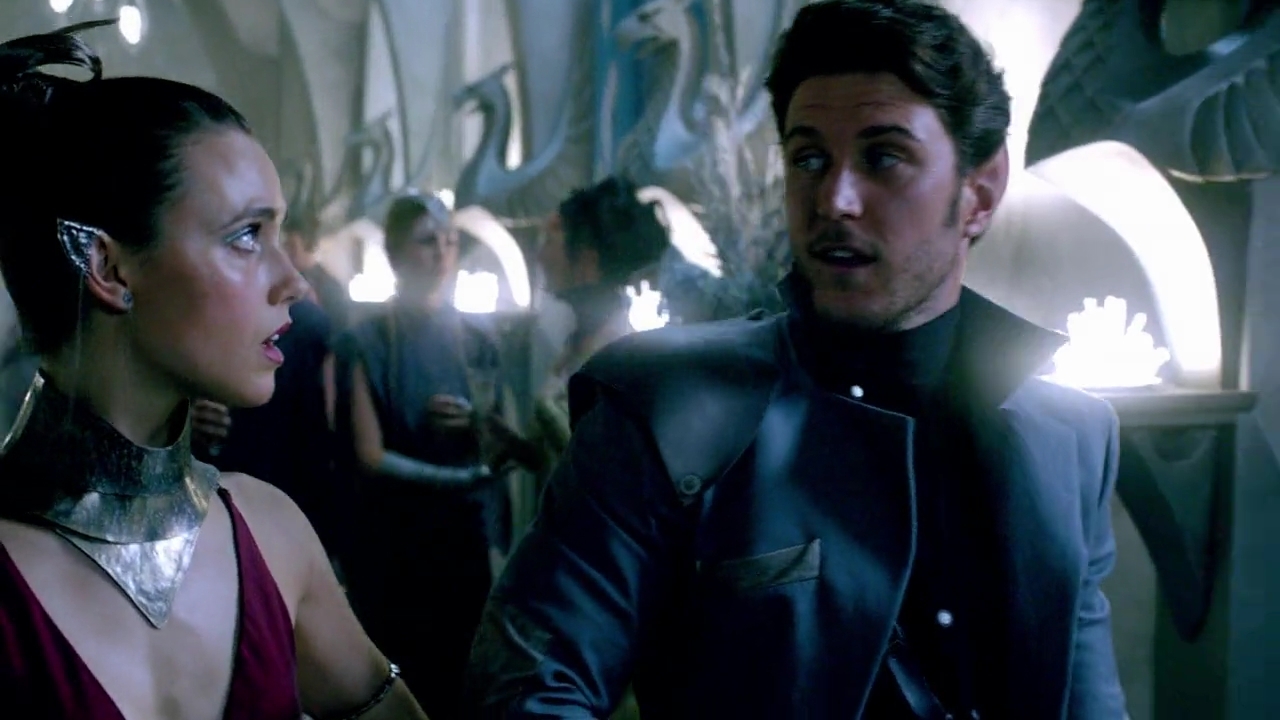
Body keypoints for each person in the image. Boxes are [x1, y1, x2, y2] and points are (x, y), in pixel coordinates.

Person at [466, 1, 1127, 718]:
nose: (834, 200)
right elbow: (526, 690)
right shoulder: (667, 408)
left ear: (980, 191)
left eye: (884, 157)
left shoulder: (1071, 439)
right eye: (808, 158)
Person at [0, 21, 426, 719]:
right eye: (246, 236)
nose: (293, 281)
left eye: (277, 233)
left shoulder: (272, 533)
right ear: (108, 267)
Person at [331, 191, 525, 720]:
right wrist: (458, 480)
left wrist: (478, 424)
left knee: (461, 679)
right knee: (401, 684)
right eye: (426, 241)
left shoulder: (477, 338)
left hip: (462, 540)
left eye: (449, 240)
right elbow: (368, 454)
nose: (441, 252)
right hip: (394, 544)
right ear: (395, 254)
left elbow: (506, 441)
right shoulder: (366, 341)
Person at [524, 175, 670, 492]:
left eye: (550, 243)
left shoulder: (620, 355)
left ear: (587, 262)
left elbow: (614, 476)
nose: (540, 257)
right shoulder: (575, 338)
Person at [285, 211, 351, 334]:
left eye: (292, 247)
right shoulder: (285, 282)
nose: (287, 253)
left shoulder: (330, 287)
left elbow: (339, 329)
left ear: (308, 244)